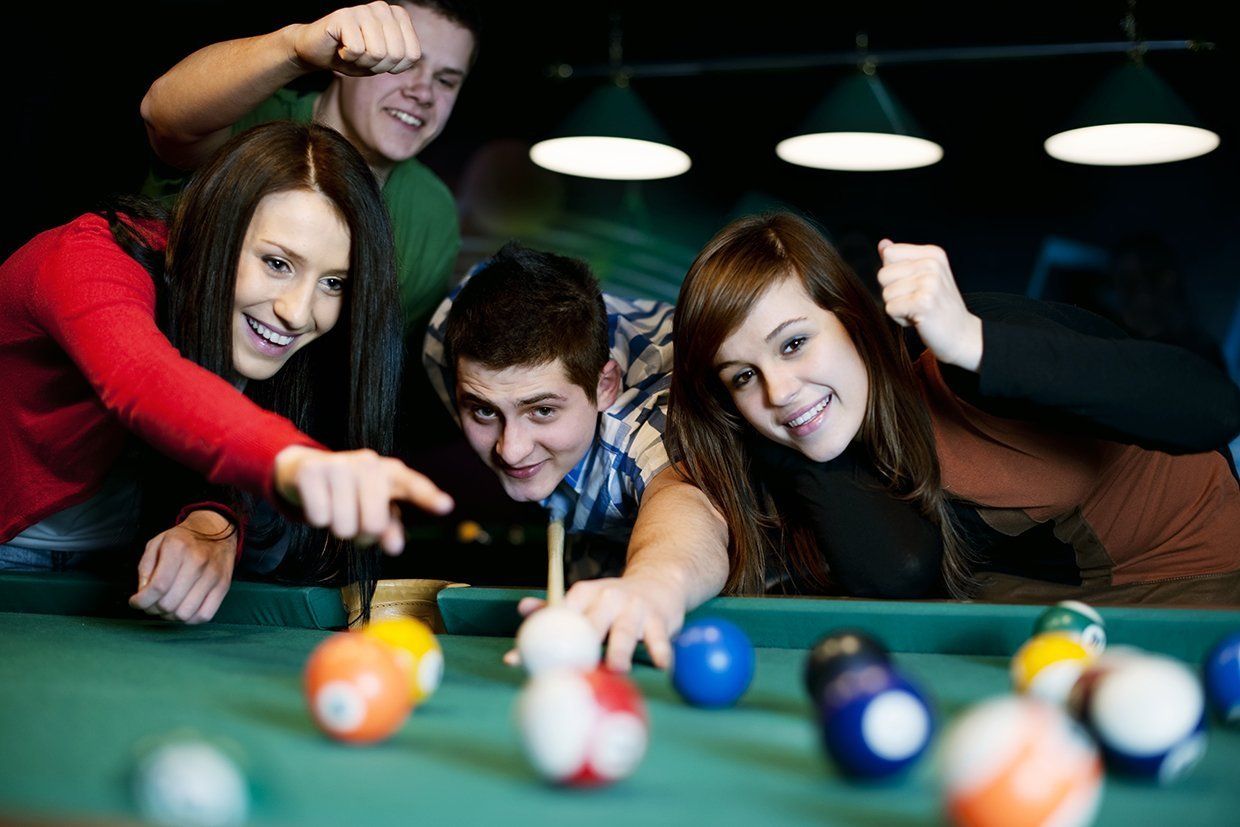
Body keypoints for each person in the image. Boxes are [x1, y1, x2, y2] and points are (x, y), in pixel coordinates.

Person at [0, 121, 453, 625]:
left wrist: (213, 520)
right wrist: (295, 463)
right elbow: (144, 378)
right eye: (277, 263)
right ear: (215, 228)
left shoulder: (262, 335)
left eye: (333, 282)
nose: (299, 312)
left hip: (118, 568)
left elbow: (210, 435)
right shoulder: (87, 257)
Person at [668, 212, 1240, 605]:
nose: (779, 389)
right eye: (744, 376)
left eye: (794, 343)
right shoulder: (810, 432)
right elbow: (901, 571)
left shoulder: (958, 361)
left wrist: (969, 340)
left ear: (855, 319)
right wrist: (797, 441)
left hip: (1205, 575)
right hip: (1050, 611)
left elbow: (1212, 407)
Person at [423, 243, 728, 669]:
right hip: (594, 542)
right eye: (484, 411)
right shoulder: (445, 343)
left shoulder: (651, 418)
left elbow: (686, 505)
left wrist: (653, 584)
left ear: (605, 387)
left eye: (542, 410)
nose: (511, 449)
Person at [140, 0, 479, 330]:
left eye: (446, 81)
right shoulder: (251, 120)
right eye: (402, 62)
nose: (423, 93)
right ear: (347, 51)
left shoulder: (433, 217)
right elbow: (163, 116)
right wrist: (296, 47)